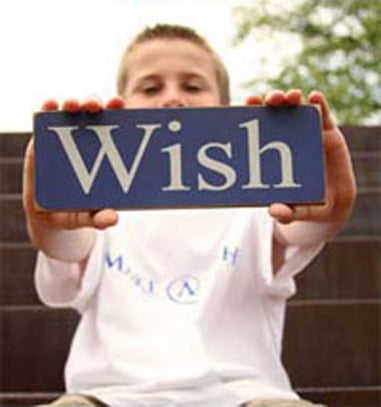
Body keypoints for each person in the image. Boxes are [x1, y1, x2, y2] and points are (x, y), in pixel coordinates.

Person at [23, 24, 356, 407]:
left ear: (225, 109)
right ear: (122, 107)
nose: (173, 99)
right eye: (150, 88)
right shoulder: (99, 203)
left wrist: (331, 206)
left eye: (193, 86)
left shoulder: (256, 202)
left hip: (247, 396)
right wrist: (46, 220)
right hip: (110, 397)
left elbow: (300, 227)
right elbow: (66, 246)